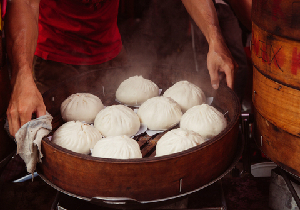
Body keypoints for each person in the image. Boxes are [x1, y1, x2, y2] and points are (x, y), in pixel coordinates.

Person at [5, 0, 237, 138]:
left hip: (109, 46)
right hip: (51, 55)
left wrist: (214, 38)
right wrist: (22, 77)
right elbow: (24, 3)